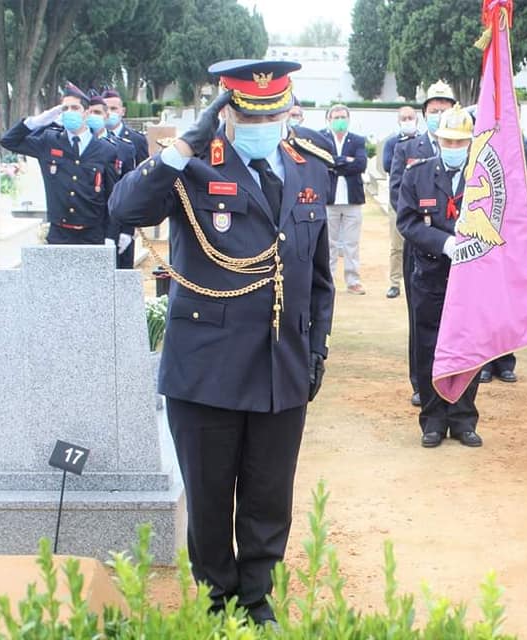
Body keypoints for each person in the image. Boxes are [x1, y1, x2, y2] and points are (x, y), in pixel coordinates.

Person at [107, 59, 334, 625]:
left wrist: (317, 348)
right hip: (205, 367)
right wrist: (182, 147)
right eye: (252, 113)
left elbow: (319, 274)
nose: (266, 123)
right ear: (227, 112)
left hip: (281, 363)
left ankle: (256, 599)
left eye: (276, 113)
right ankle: (219, 600)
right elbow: (123, 208)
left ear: (287, 111)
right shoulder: (191, 169)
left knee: (267, 496)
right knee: (210, 498)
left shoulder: (309, 169)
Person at [396, 105, 482, 448]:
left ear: (470, 143)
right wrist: (444, 242)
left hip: (471, 278)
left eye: (460, 142)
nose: (454, 147)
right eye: (448, 140)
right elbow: (408, 222)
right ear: (437, 139)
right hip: (430, 275)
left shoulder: (483, 179)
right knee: (428, 346)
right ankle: (432, 419)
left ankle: (463, 417)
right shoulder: (417, 175)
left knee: (468, 348)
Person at [390, 80, 457, 408]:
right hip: (420, 248)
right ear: (424, 114)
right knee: (421, 317)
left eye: (445, 110)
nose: (439, 115)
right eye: (434, 110)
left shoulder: (465, 151)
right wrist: (433, 235)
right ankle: (421, 381)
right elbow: (397, 194)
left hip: (459, 253)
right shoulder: (409, 148)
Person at [1, 82, 119, 245]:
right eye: (65, 108)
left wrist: (111, 235)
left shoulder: (105, 149)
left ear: (86, 113)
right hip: (59, 233)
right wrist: (36, 122)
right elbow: (8, 141)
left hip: (93, 234)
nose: (69, 112)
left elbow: (112, 196)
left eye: (75, 108)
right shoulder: (49, 142)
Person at [479, 124, 527, 383]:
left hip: (519, 237)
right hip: (488, 231)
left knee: (511, 300)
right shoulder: (485, 144)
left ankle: (506, 360)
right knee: (488, 298)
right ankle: (485, 360)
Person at [86, 95, 138, 267]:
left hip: (114, 226)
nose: (94, 116)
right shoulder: (76, 146)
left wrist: (128, 230)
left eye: (98, 112)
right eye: (90, 112)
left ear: (106, 115)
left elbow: (132, 191)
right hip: (86, 227)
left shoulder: (123, 147)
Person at [322, 104, 368, 294]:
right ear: (329, 120)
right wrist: (344, 161)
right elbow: (323, 162)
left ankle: (352, 280)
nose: (340, 120)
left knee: (351, 243)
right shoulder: (322, 138)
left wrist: (336, 163)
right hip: (329, 199)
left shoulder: (357, 140)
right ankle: (328, 280)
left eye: (343, 117)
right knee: (328, 244)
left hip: (352, 200)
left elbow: (360, 164)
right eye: (336, 117)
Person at [382, 106, 420, 299]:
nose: (407, 121)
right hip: (398, 201)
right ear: (398, 121)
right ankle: (395, 282)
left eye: (410, 117)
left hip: (421, 202)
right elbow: (387, 165)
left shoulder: (424, 142)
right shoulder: (392, 142)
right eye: (403, 118)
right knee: (397, 246)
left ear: (417, 119)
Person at [101, 89, 149, 164]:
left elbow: (142, 170)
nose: (109, 113)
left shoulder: (137, 140)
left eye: (113, 108)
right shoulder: (94, 137)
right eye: (106, 109)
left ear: (123, 111)